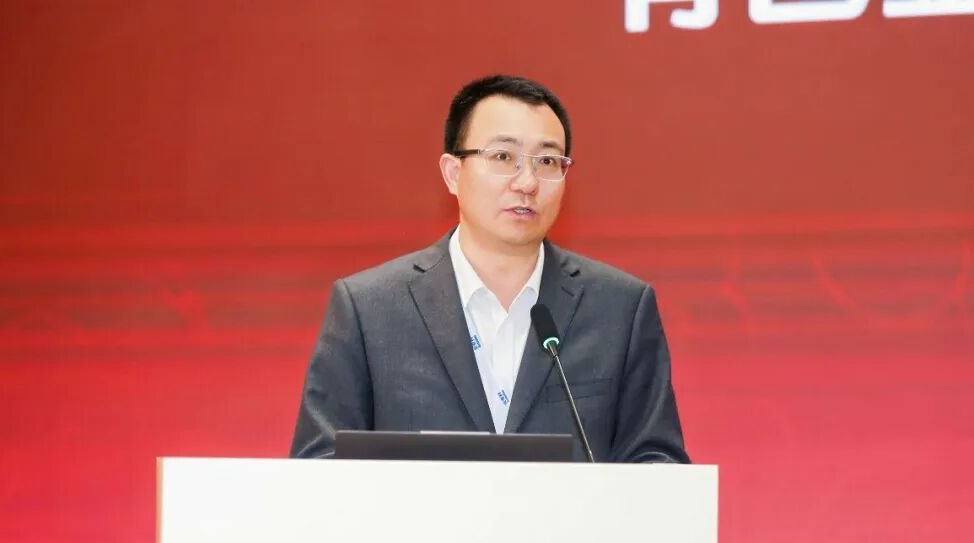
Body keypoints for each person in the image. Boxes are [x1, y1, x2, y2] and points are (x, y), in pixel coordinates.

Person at [290, 75, 690, 463]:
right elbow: (319, 465)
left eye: (547, 161)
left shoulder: (619, 309)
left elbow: (657, 464)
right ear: (453, 173)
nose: (528, 182)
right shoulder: (369, 309)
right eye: (503, 157)